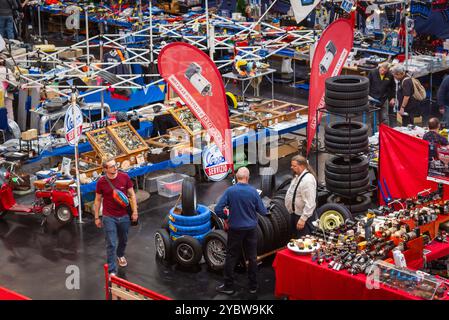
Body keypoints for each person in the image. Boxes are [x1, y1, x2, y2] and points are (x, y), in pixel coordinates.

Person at [214, 167, 268, 295]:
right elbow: (263, 211)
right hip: (251, 229)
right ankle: (253, 286)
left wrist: (227, 218)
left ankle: (228, 286)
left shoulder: (230, 191)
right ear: (248, 178)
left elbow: (218, 209)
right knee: (252, 258)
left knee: (231, 256)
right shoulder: (253, 192)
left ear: (236, 178)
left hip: (235, 229)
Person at [94, 158, 138, 276]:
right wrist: (96, 217)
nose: (115, 167)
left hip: (124, 216)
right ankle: (112, 271)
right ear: (105, 169)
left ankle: (120, 254)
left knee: (123, 239)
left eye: (115, 165)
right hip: (109, 217)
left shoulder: (125, 177)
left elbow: (132, 195)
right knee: (111, 243)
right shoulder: (101, 182)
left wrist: (135, 212)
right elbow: (98, 200)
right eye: (112, 166)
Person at [285, 155, 317, 238]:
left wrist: (303, 219)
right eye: (292, 165)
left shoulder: (307, 181)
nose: (292, 167)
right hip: (295, 215)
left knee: (304, 241)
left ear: (302, 166)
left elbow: (310, 203)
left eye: (294, 166)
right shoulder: (297, 177)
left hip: (303, 218)